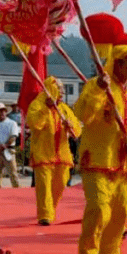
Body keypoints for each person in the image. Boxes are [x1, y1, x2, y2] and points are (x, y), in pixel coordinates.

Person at [74, 36, 127, 254]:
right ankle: (88, 253)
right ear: (116, 63)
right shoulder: (96, 85)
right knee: (99, 207)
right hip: (99, 159)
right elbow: (83, 116)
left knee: (120, 213)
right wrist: (99, 92)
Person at [26, 76, 82, 226]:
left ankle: (50, 208)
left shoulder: (64, 109)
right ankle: (45, 215)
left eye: (63, 89)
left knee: (62, 183)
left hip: (62, 154)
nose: (63, 92)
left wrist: (70, 126)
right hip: (43, 153)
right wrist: (46, 109)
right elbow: (34, 124)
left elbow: (77, 131)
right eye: (60, 88)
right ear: (51, 89)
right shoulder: (37, 105)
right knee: (44, 185)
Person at [0, 103, 21, 188]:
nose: (0, 113)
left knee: (13, 174)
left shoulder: (12, 123)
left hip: (9, 151)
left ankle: (17, 193)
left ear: (5, 112)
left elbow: (13, 136)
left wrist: (4, 146)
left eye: (2, 111)